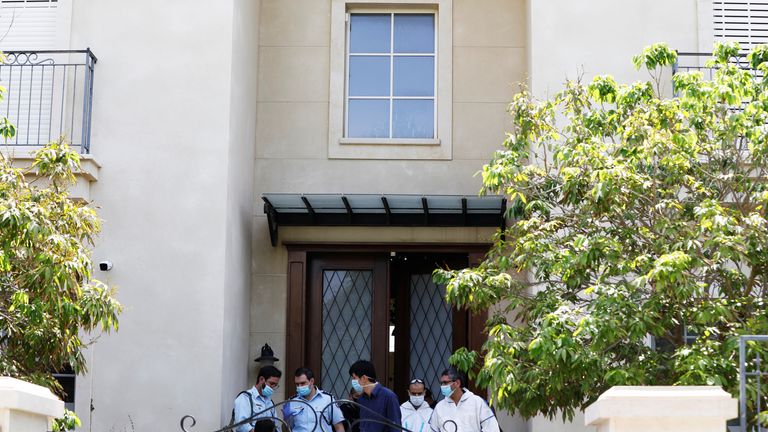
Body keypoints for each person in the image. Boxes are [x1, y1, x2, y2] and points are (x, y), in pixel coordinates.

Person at [429, 367, 499, 432]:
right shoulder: (439, 407)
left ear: (457, 383)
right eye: (441, 383)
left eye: (445, 383)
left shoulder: (477, 402)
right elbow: (432, 429)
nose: (442, 386)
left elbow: (492, 428)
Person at [283, 367, 345, 432]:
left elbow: (339, 427)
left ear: (312, 381)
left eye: (302, 383)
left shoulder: (328, 399)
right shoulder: (292, 401)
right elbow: (286, 428)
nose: (299, 387)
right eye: (297, 384)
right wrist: (285, 419)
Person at [348, 360, 401, 432]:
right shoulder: (361, 399)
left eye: (354, 378)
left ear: (364, 378)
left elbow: (395, 428)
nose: (353, 381)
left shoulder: (389, 396)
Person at [232, 365, 282, 432]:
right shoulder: (245, 398)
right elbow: (242, 424)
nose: (272, 387)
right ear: (261, 379)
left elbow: (276, 425)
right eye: (271, 383)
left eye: (275, 385)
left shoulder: (270, 402)